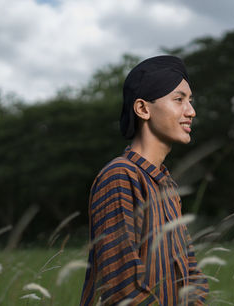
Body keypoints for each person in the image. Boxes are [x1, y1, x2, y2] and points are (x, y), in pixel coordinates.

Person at [80, 55, 209, 306]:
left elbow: (190, 269)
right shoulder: (120, 177)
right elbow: (120, 287)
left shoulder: (167, 186)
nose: (191, 111)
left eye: (190, 101)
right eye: (179, 99)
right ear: (143, 109)